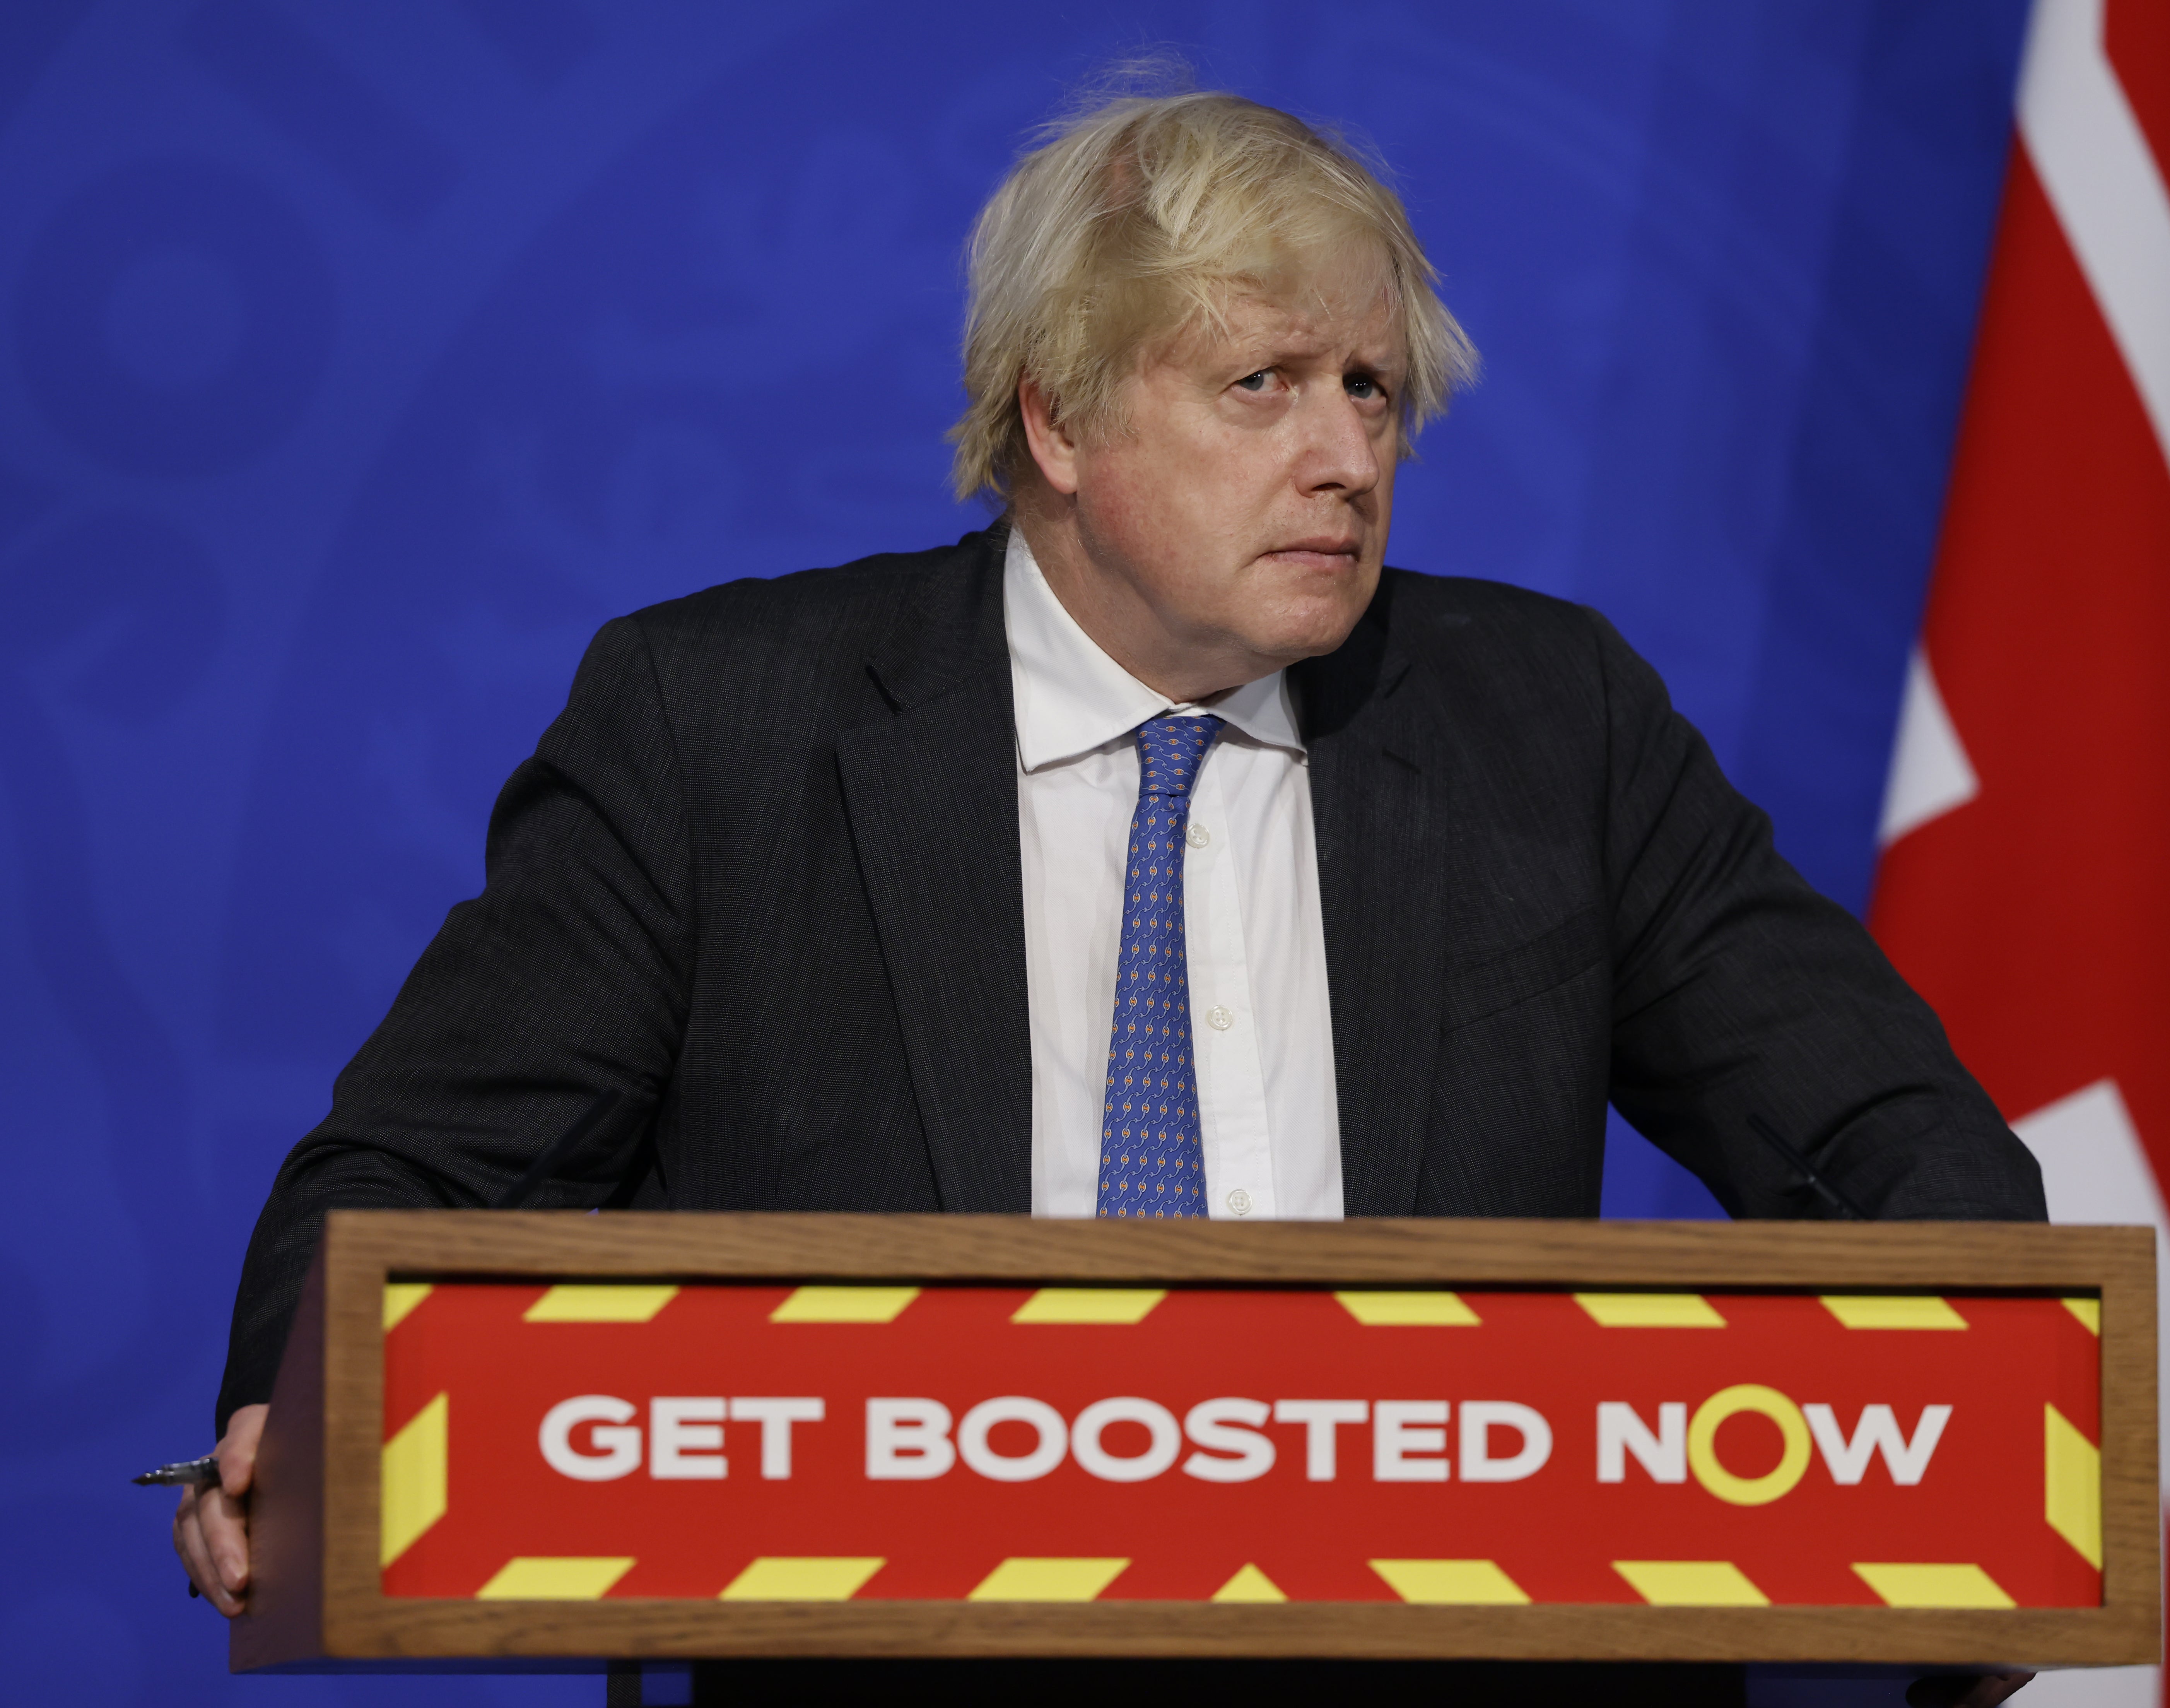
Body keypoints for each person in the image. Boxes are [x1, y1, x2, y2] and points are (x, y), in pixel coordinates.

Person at [176, 80, 2040, 1700]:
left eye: (1375, 390)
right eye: (1266, 385)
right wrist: (292, 1406)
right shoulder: (720, 727)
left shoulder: (1548, 724)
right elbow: (415, 1176)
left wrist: (1980, 1478)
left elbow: (1888, 1131)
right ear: (1057, 421)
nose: (1348, 457)